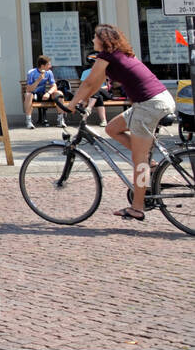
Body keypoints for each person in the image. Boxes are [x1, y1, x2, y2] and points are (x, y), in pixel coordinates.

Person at [65, 24, 175, 221]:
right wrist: (82, 100)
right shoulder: (119, 54)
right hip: (156, 100)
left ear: (103, 41)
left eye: (95, 38)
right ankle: (150, 162)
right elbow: (96, 83)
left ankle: (137, 207)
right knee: (112, 128)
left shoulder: (107, 56)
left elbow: (89, 82)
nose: (92, 41)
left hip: (149, 105)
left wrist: (72, 104)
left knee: (138, 160)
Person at [23, 55, 60, 129]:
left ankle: (60, 120)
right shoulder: (31, 72)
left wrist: (48, 93)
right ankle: (29, 121)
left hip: (43, 94)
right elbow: (29, 89)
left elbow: (54, 86)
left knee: (59, 93)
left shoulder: (49, 72)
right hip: (33, 94)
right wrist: (38, 80)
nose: (50, 66)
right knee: (28, 95)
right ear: (43, 66)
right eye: (48, 64)